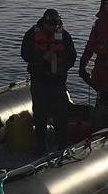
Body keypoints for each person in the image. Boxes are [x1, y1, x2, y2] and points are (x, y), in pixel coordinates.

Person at [19, 8, 76, 151]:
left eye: (54, 25)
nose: (51, 27)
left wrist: (63, 68)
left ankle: (61, 142)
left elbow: (72, 56)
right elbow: (25, 54)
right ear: (44, 22)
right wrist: (42, 57)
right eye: (49, 24)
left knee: (60, 112)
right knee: (39, 112)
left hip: (57, 80)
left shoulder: (64, 36)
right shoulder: (32, 34)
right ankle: (40, 143)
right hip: (39, 79)